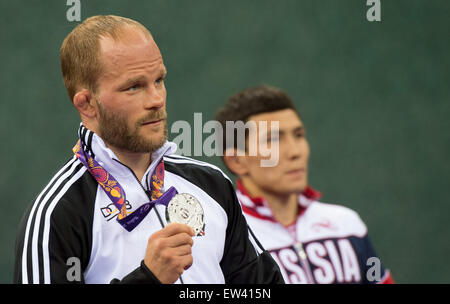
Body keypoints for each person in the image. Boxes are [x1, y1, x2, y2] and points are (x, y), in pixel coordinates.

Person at [13, 15, 284, 284]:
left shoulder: (211, 184)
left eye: (159, 80)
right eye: (134, 87)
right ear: (86, 104)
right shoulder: (58, 214)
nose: (156, 99)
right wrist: (149, 279)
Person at [215, 85, 394, 284]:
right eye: (273, 140)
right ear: (236, 160)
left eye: (298, 135)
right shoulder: (223, 239)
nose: (295, 152)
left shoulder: (347, 225)